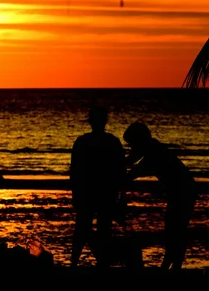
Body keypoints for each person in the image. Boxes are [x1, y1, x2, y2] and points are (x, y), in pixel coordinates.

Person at [123, 121, 196, 271]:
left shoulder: (154, 153)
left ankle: (173, 266)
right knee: (174, 229)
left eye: (131, 144)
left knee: (175, 230)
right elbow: (130, 160)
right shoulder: (152, 147)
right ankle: (171, 265)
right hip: (181, 190)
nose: (131, 148)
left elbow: (133, 172)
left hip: (183, 191)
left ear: (139, 140)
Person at [69, 105, 127, 268]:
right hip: (106, 191)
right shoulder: (112, 142)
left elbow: (74, 171)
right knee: (102, 228)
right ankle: (100, 261)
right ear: (104, 121)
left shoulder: (82, 142)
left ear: (91, 122)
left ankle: (76, 262)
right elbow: (121, 171)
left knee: (83, 227)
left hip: (88, 191)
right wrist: (122, 194)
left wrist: (75, 193)